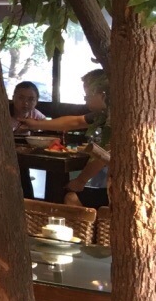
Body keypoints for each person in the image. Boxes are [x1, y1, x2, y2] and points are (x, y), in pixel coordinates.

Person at [20, 68, 109, 208]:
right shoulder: (103, 114)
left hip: (119, 190)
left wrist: (80, 181)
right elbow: (75, 122)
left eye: (87, 96)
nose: (85, 100)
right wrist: (36, 124)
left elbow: (104, 155)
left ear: (103, 96)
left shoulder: (114, 119)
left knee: (71, 197)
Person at [10, 80, 46, 197]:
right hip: (6, 155)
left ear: (36, 101)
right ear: (13, 98)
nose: (25, 103)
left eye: (31, 99)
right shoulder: (3, 113)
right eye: (21, 98)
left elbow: (47, 128)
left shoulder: (35, 114)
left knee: (24, 173)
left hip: (24, 156)